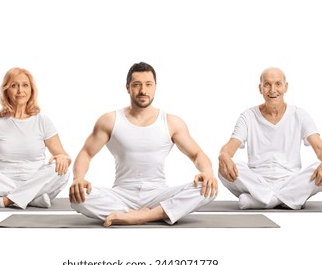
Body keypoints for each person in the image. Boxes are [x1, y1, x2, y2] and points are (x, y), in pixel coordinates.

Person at [69, 62, 217, 227]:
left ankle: (139, 217)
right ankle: (153, 214)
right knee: (77, 195)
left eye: (148, 84)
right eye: (136, 85)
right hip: (122, 194)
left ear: (155, 87)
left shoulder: (172, 122)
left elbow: (197, 154)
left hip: (159, 194)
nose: (143, 91)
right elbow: (86, 153)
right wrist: (78, 178)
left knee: (208, 187)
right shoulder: (110, 120)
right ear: (127, 88)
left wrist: (207, 171)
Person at [218, 67, 322, 209]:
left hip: (291, 181)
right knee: (223, 169)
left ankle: (264, 201)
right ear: (260, 88)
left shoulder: (300, 115)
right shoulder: (247, 116)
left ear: (286, 87)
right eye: (267, 84)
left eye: (278, 84)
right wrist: (223, 155)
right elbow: (230, 146)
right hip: (257, 182)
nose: (273, 90)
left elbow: (320, 148)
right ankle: (287, 199)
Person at [0, 67, 71, 209]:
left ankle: (5, 201)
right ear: (6, 91)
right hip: (2, 183)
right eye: (14, 86)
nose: (20, 91)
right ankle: (31, 199)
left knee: (62, 169)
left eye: (25, 85)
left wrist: (63, 158)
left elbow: (64, 156)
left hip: (38, 181)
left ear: (31, 90)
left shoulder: (42, 121)